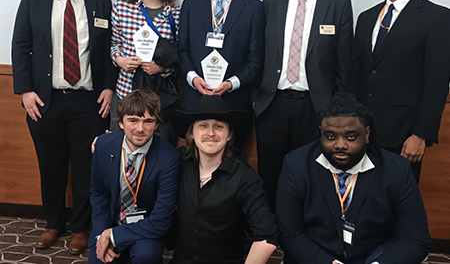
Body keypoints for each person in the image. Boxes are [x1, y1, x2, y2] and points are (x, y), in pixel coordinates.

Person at [12, 0, 118, 254]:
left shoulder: (100, 1)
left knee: (87, 167)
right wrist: (26, 90)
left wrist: (109, 87)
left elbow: (108, 52)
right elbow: (21, 45)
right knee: (51, 164)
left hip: (89, 101)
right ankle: (53, 224)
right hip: (45, 99)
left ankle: (81, 228)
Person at [254, 0, 353, 210]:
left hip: (316, 106)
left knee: (312, 172)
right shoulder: (270, 1)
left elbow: (344, 63)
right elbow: (259, 53)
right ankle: (271, 230)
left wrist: (339, 109)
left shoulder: (338, 3)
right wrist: (255, 96)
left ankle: (305, 229)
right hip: (272, 103)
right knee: (270, 172)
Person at [276, 92, 430, 264]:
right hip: (315, 258)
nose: (340, 145)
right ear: (320, 133)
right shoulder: (296, 165)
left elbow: (414, 239)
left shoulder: (396, 170)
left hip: (373, 257)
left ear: (366, 133)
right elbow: (291, 233)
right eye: (330, 137)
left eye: (351, 137)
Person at [349, 0, 450, 182]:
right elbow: (357, 74)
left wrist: (421, 135)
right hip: (362, 132)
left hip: (405, 135)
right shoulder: (366, 17)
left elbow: (437, 81)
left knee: (397, 203)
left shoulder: (437, 17)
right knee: (360, 200)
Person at [178, 0, 264, 145]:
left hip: (233, 103)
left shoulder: (254, 7)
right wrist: (193, 79)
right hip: (195, 100)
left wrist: (230, 84)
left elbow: (255, 61)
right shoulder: (191, 2)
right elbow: (182, 51)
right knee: (193, 167)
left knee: (230, 170)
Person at [170, 95, 278, 264]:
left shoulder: (246, 178)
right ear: (191, 133)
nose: (211, 133)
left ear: (229, 135)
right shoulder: (178, 162)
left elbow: (267, 238)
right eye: (203, 126)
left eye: (219, 126)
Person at [89, 89, 180, 264]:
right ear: (121, 122)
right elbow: (99, 193)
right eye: (133, 120)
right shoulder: (102, 145)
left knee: (146, 256)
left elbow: (161, 220)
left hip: (147, 230)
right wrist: (101, 234)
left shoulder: (169, 158)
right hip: (110, 224)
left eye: (148, 121)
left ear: (156, 124)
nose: (140, 129)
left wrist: (113, 235)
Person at [110, 0, 180, 145]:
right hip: (125, 91)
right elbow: (114, 44)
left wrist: (162, 68)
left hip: (158, 98)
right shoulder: (122, 8)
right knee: (119, 150)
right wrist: (120, 60)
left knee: (159, 152)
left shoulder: (174, 14)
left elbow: (179, 55)